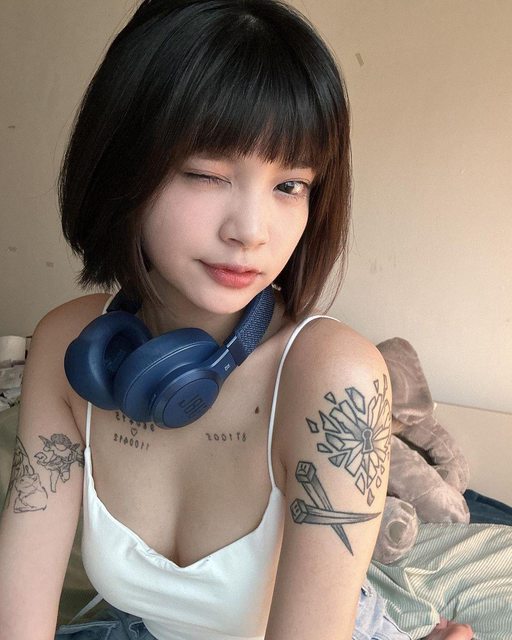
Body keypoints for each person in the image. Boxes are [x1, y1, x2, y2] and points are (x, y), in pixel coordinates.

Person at [0, 1, 473, 639]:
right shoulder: (68, 348)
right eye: (205, 173)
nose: (251, 231)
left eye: (290, 186)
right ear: (122, 166)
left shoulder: (337, 380)